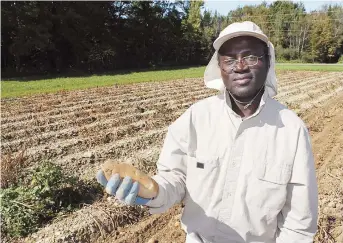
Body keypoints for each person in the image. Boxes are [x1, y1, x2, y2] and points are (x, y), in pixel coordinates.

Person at [96, 21, 318, 243]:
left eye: (251, 57)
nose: (239, 66)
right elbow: (175, 178)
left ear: (267, 62)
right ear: (219, 67)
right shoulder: (196, 117)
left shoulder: (291, 130)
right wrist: (152, 191)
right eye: (229, 59)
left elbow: (298, 223)